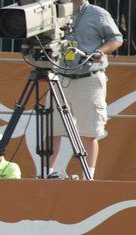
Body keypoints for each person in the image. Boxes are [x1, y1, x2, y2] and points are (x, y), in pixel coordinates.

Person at [48, 0, 122, 180]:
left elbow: (116, 39)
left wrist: (100, 52)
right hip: (61, 75)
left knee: (89, 133)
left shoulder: (97, 13)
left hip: (89, 77)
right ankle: (46, 173)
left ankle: (88, 176)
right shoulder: (54, 10)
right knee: (52, 130)